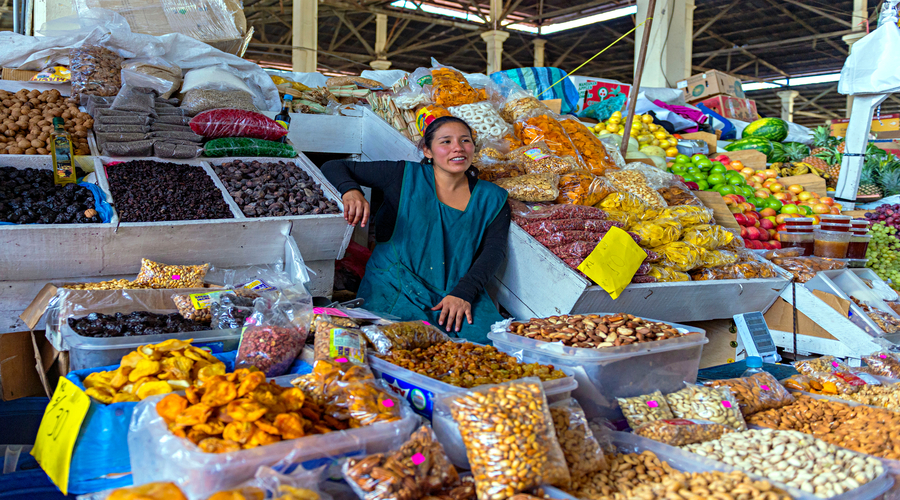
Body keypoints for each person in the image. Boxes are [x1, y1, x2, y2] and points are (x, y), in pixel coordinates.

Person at [321, 116, 510, 343]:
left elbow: (494, 251)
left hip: (456, 289)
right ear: (427, 151)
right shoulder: (403, 175)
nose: (458, 148)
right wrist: (351, 191)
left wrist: (464, 293)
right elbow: (333, 166)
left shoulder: (492, 197)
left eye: (465, 141)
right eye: (446, 142)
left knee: (492, 345)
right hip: (395, 282)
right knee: (394, 343)